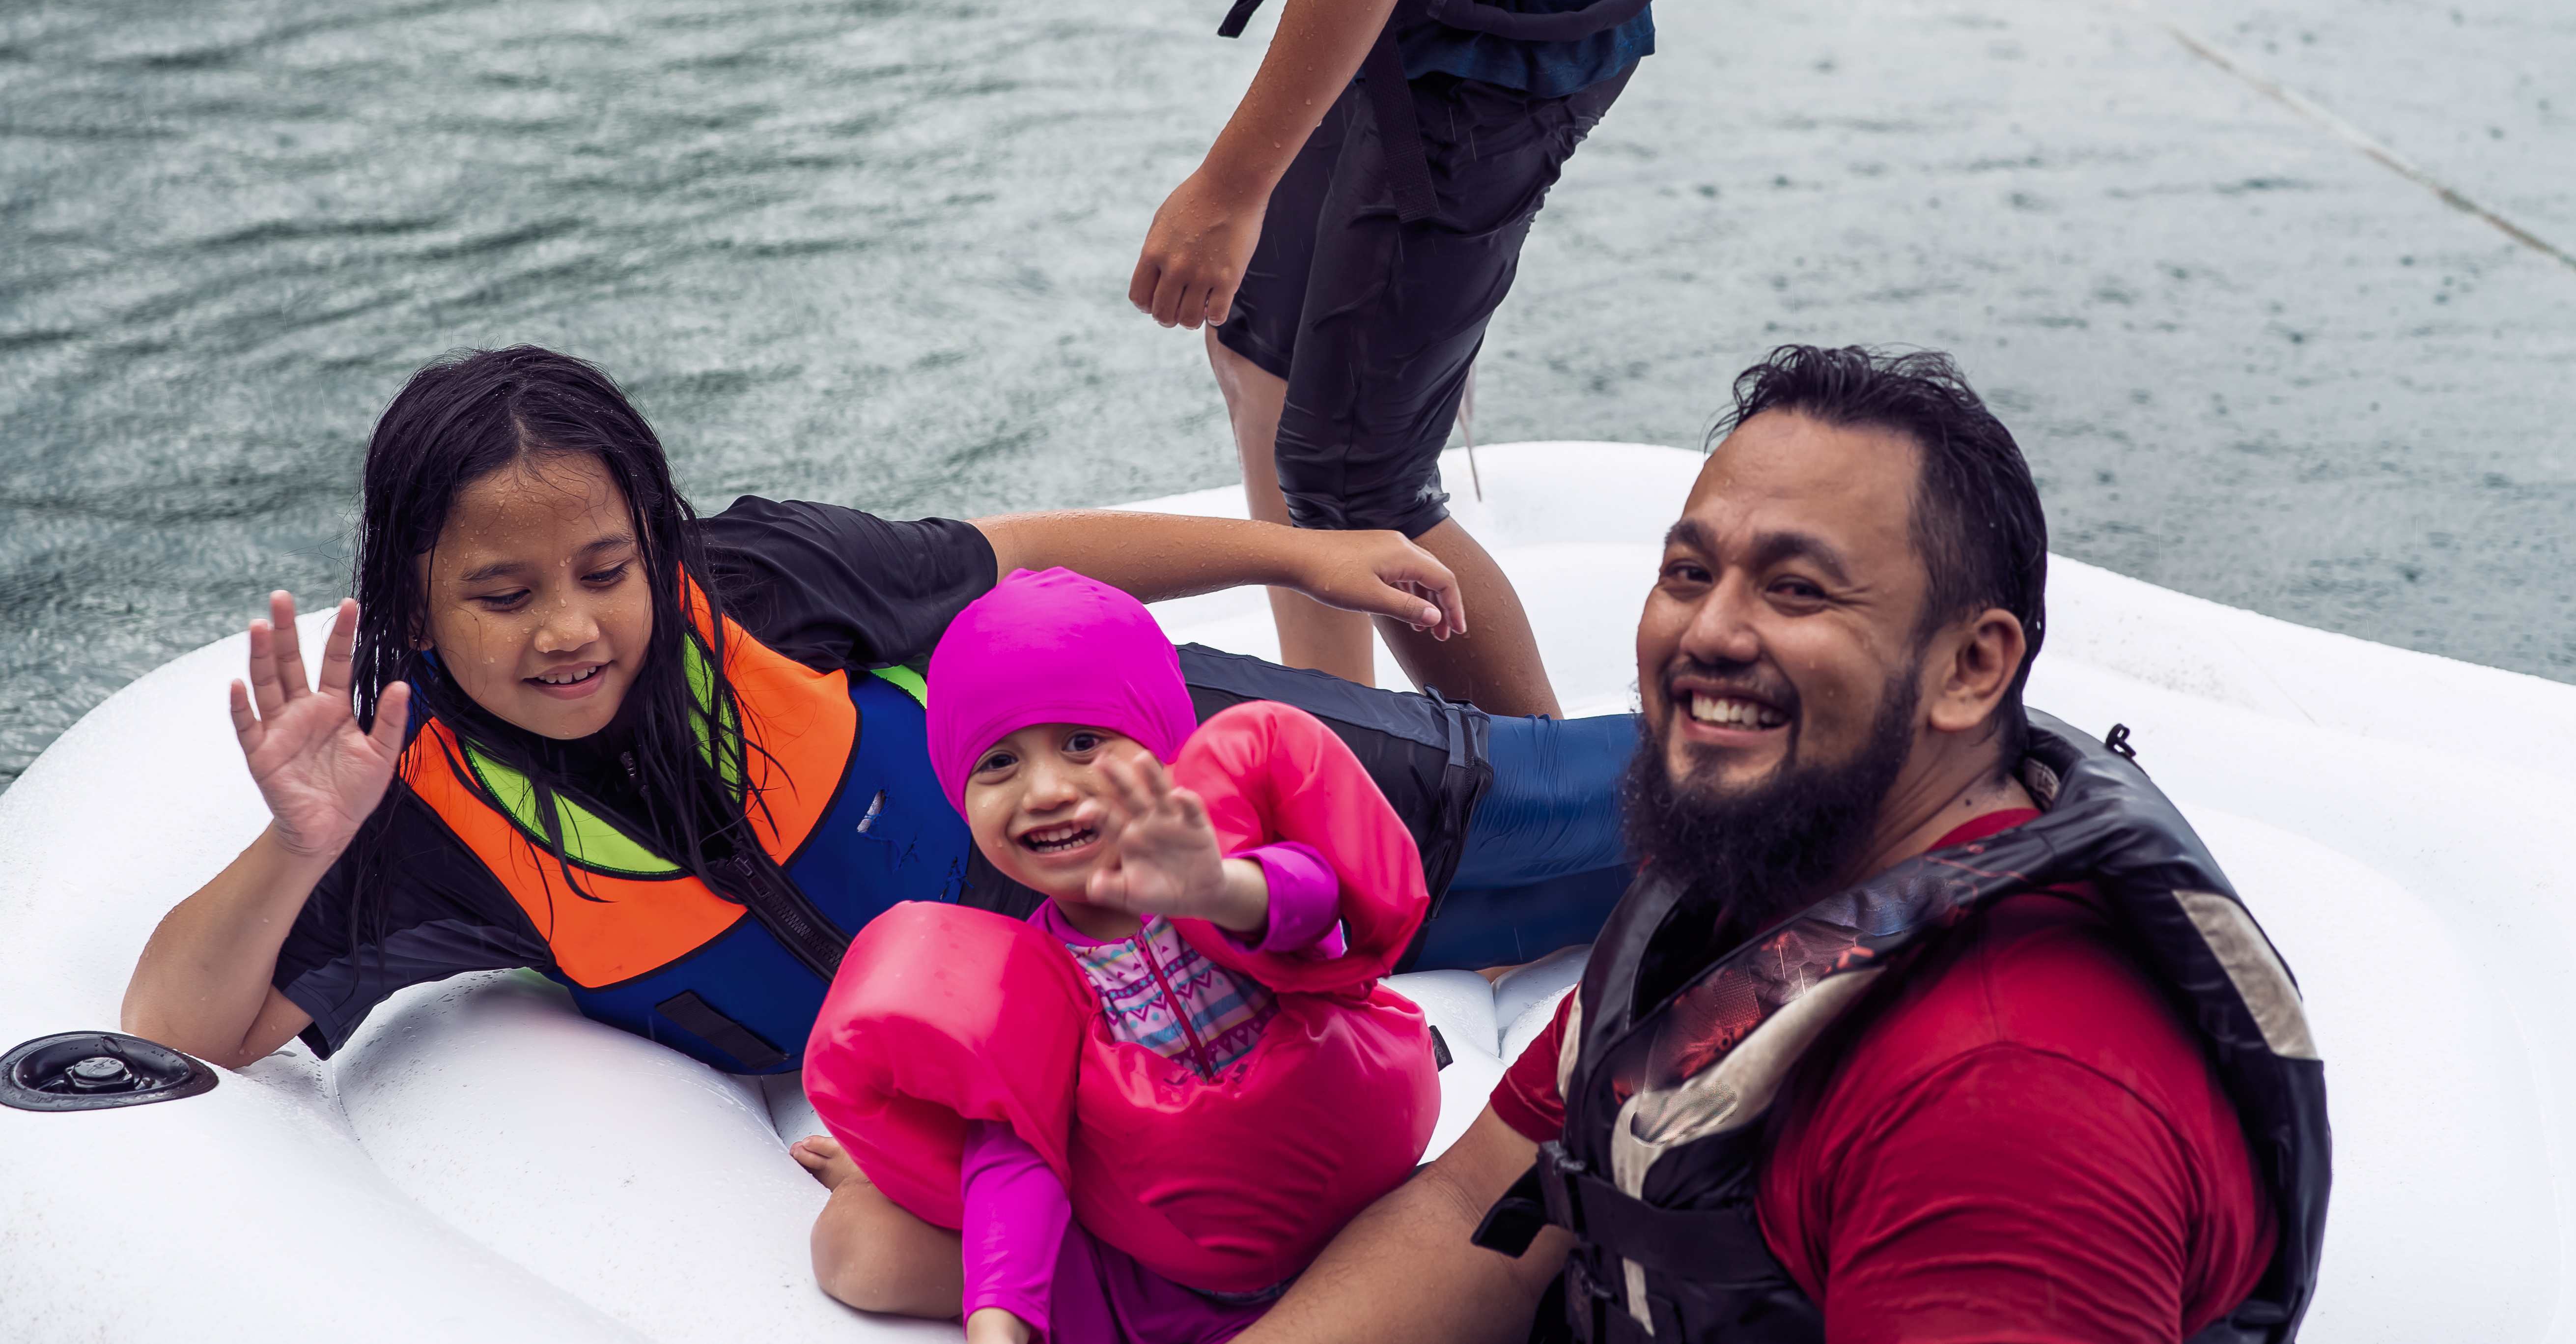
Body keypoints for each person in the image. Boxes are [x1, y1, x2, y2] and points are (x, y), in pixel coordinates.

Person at [119, 345, 1630, 1080]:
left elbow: (1014, 555)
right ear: (421, 607)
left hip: (1184, 787)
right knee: (1589, 882)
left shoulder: (757, 582)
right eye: (504, 597)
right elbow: (178, 1030)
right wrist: (299, 843)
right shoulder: (434, 816)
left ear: (656, 541)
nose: (571, 628)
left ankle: (1872, 745)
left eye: (603, 568)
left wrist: (1292, 554)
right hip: (1123, 988)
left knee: (1599, 812)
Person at [1230, 345, 2332, 1344]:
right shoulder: (1762, 870)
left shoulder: (2007, 1106)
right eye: (1688, 574)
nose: (1708, 630)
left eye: (1796, 590)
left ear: (1970, 669)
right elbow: (1475, 1208)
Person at [1126, 0, 1665, 720]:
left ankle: (1550, 811)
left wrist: (1228, 188)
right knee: (1261, 356)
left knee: (1353, 477)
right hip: (1428, 7)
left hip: (1493, 44)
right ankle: (1336, 744)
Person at [795, 568, 1440, 1341]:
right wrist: (1000, 1320)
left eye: (1082, 744)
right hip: (1175, 1284)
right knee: (855, 1252)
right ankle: (881, 1178)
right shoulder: (1025, 976)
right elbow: (1020, 1156)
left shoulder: (1224, 860)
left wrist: (1218, 889)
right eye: (999, 763)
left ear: (1161, 749)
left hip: (1374, 1207)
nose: (1046, 790)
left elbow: (1316, 909)